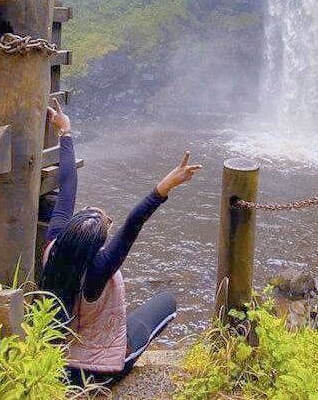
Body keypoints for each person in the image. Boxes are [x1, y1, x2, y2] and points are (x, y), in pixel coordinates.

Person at [39, 98, 202, 387]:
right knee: (167, 303)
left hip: (53, 367)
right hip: (95, 374)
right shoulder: (100, 269)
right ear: (96, 248)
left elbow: (67, 187)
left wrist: (65, 132)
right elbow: (132, 223)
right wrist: (165, 186)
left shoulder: (53, 246)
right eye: (104, 228)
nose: (105, 220)